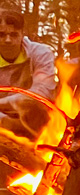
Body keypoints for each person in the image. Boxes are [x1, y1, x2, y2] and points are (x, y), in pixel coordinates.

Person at [0, 9, 58, 140]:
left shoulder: (40, 53)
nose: (8, 40)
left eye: (14, 34)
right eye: (1, 35)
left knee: (36, 107)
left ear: (22, 34)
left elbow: (41, 94)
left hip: (35, 123)